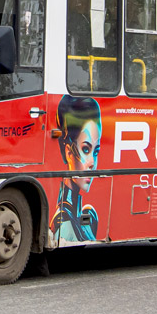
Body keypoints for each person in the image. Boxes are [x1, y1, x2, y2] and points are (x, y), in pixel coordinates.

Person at [50, 95, 101, 244]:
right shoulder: (64, 220)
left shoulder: (89, 216)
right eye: (86, 149)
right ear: (68, 152)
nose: (92, 163)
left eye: (96, 151)